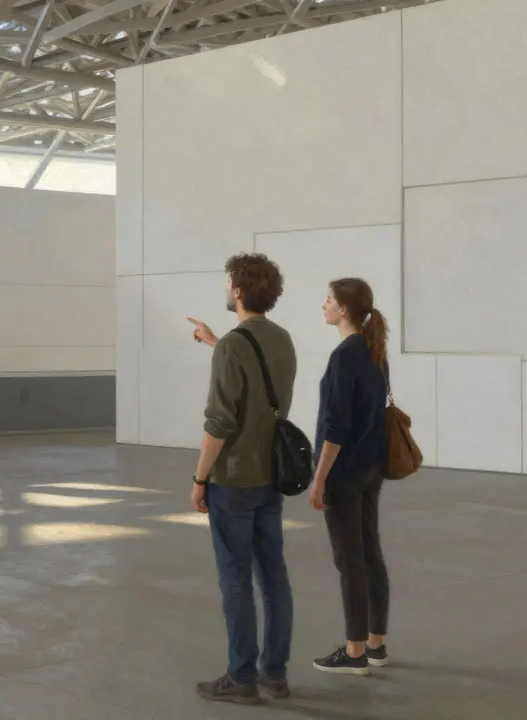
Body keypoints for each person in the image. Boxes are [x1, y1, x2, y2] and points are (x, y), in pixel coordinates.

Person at [186, 253, 297, 706]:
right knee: (274, 577)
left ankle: (241, 676)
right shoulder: (281, 339)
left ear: (237, 290)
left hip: (232, 480)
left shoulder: (236, 345)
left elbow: (219, 424)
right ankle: (274, 673)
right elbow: (256, 379)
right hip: (270, 475)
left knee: (235, 578)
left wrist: (199, 478)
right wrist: (217, 342)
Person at [308, 277, 392, 676]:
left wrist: (320, 477)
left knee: (349, 560)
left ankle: (354, 651)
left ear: (343, 309)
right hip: (372, 467)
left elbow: (335, 427)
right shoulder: (375, 350)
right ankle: (375, 644)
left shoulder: (344, 356)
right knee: (370, 552)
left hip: (344, 473)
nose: (323, 305)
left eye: (328, 300)